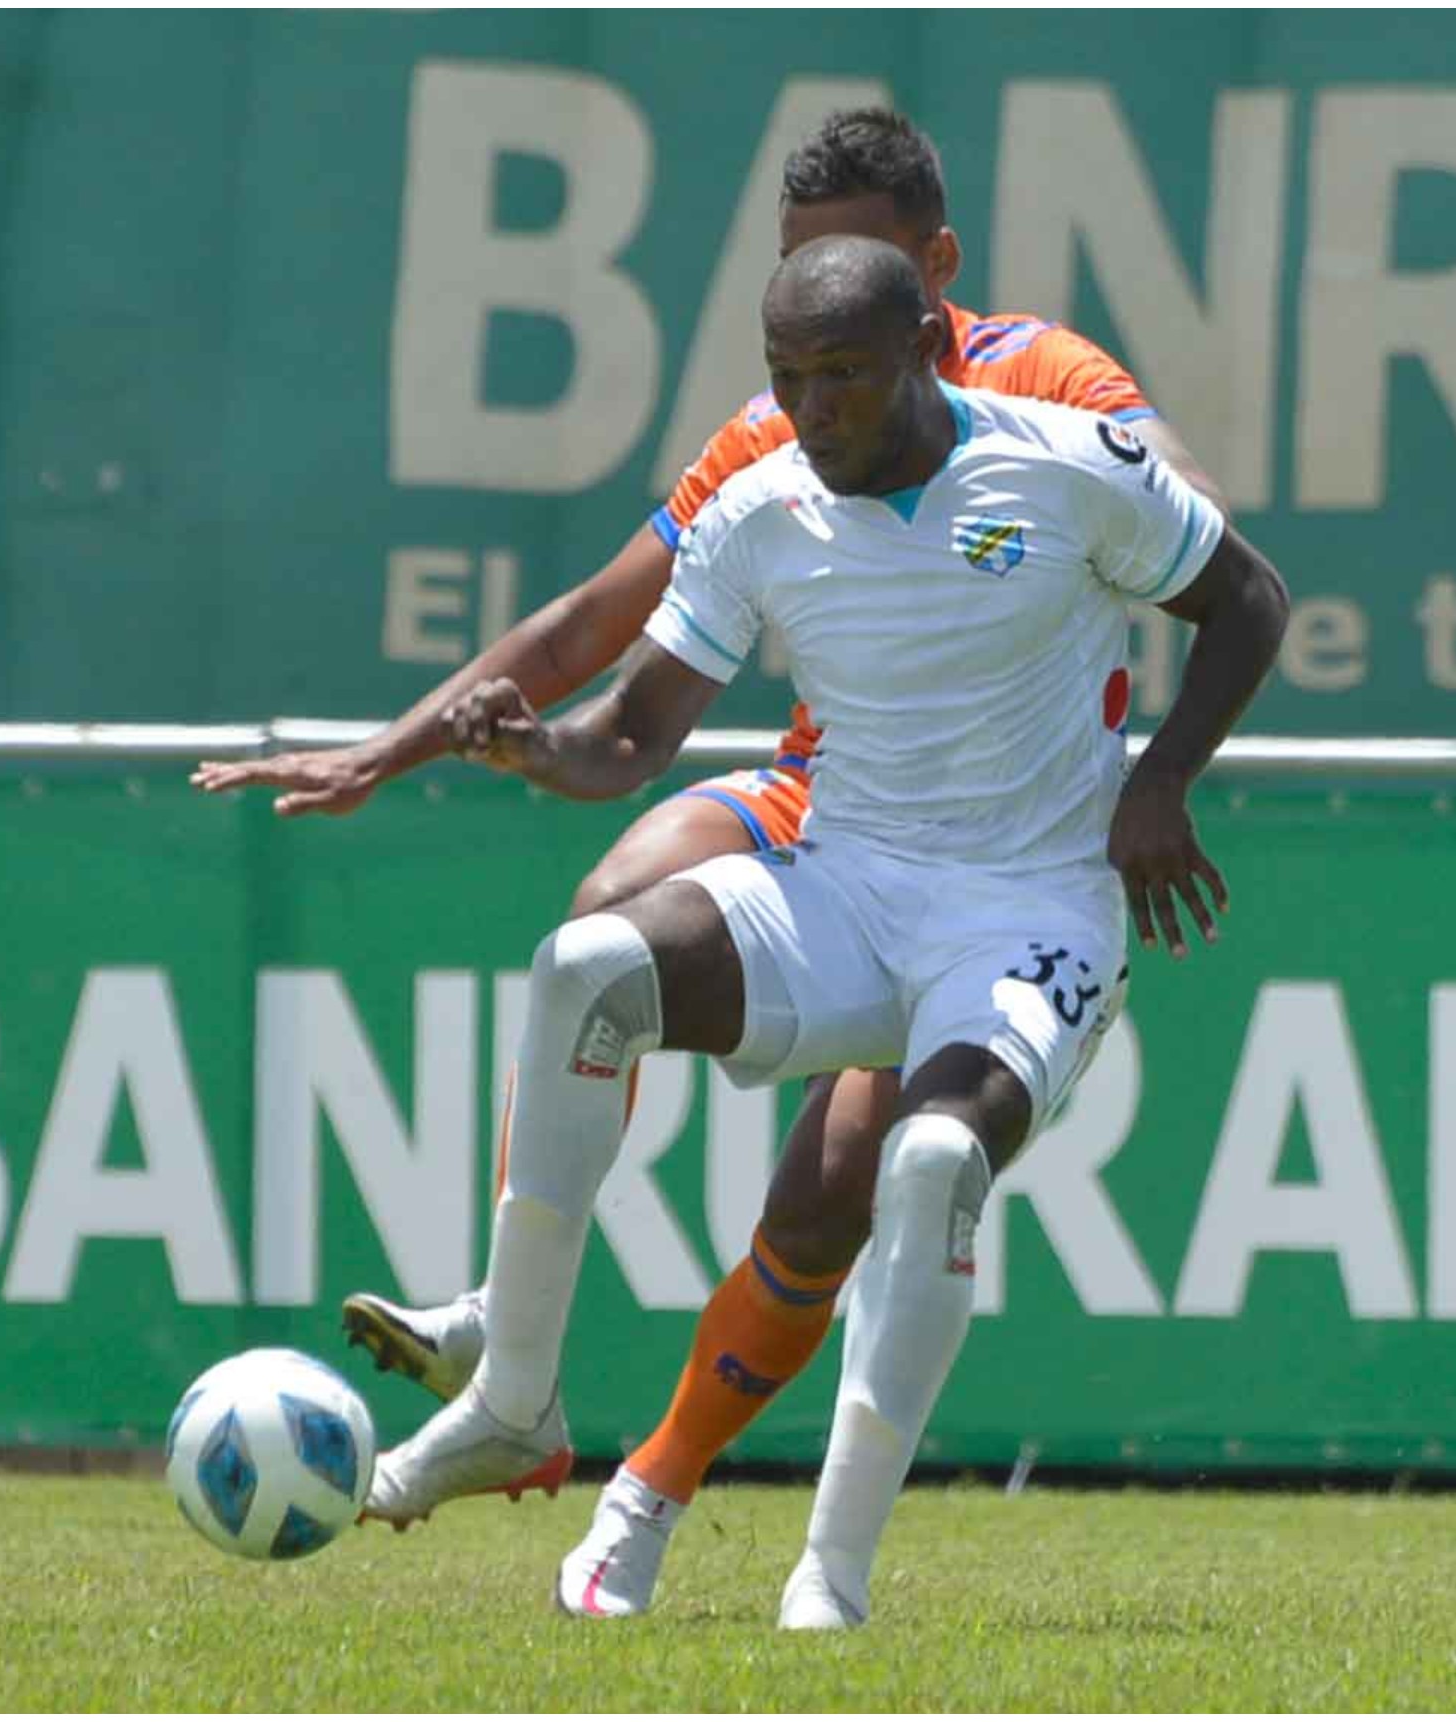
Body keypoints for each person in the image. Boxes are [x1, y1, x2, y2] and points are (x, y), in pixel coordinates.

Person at [194, 108, 1224, 1618]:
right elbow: (590, 657)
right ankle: (509, 1338)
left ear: (931, 276)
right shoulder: (786, 429)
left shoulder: (1051, 395)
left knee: (835, 1197)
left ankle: (659, 1488)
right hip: (835, 813)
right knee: (602, 932)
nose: (816, 322)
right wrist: (395, 751)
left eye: (854, 277)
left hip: (1007, 860)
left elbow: (1204, 537)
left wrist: (1160, 754)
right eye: (798, 279)